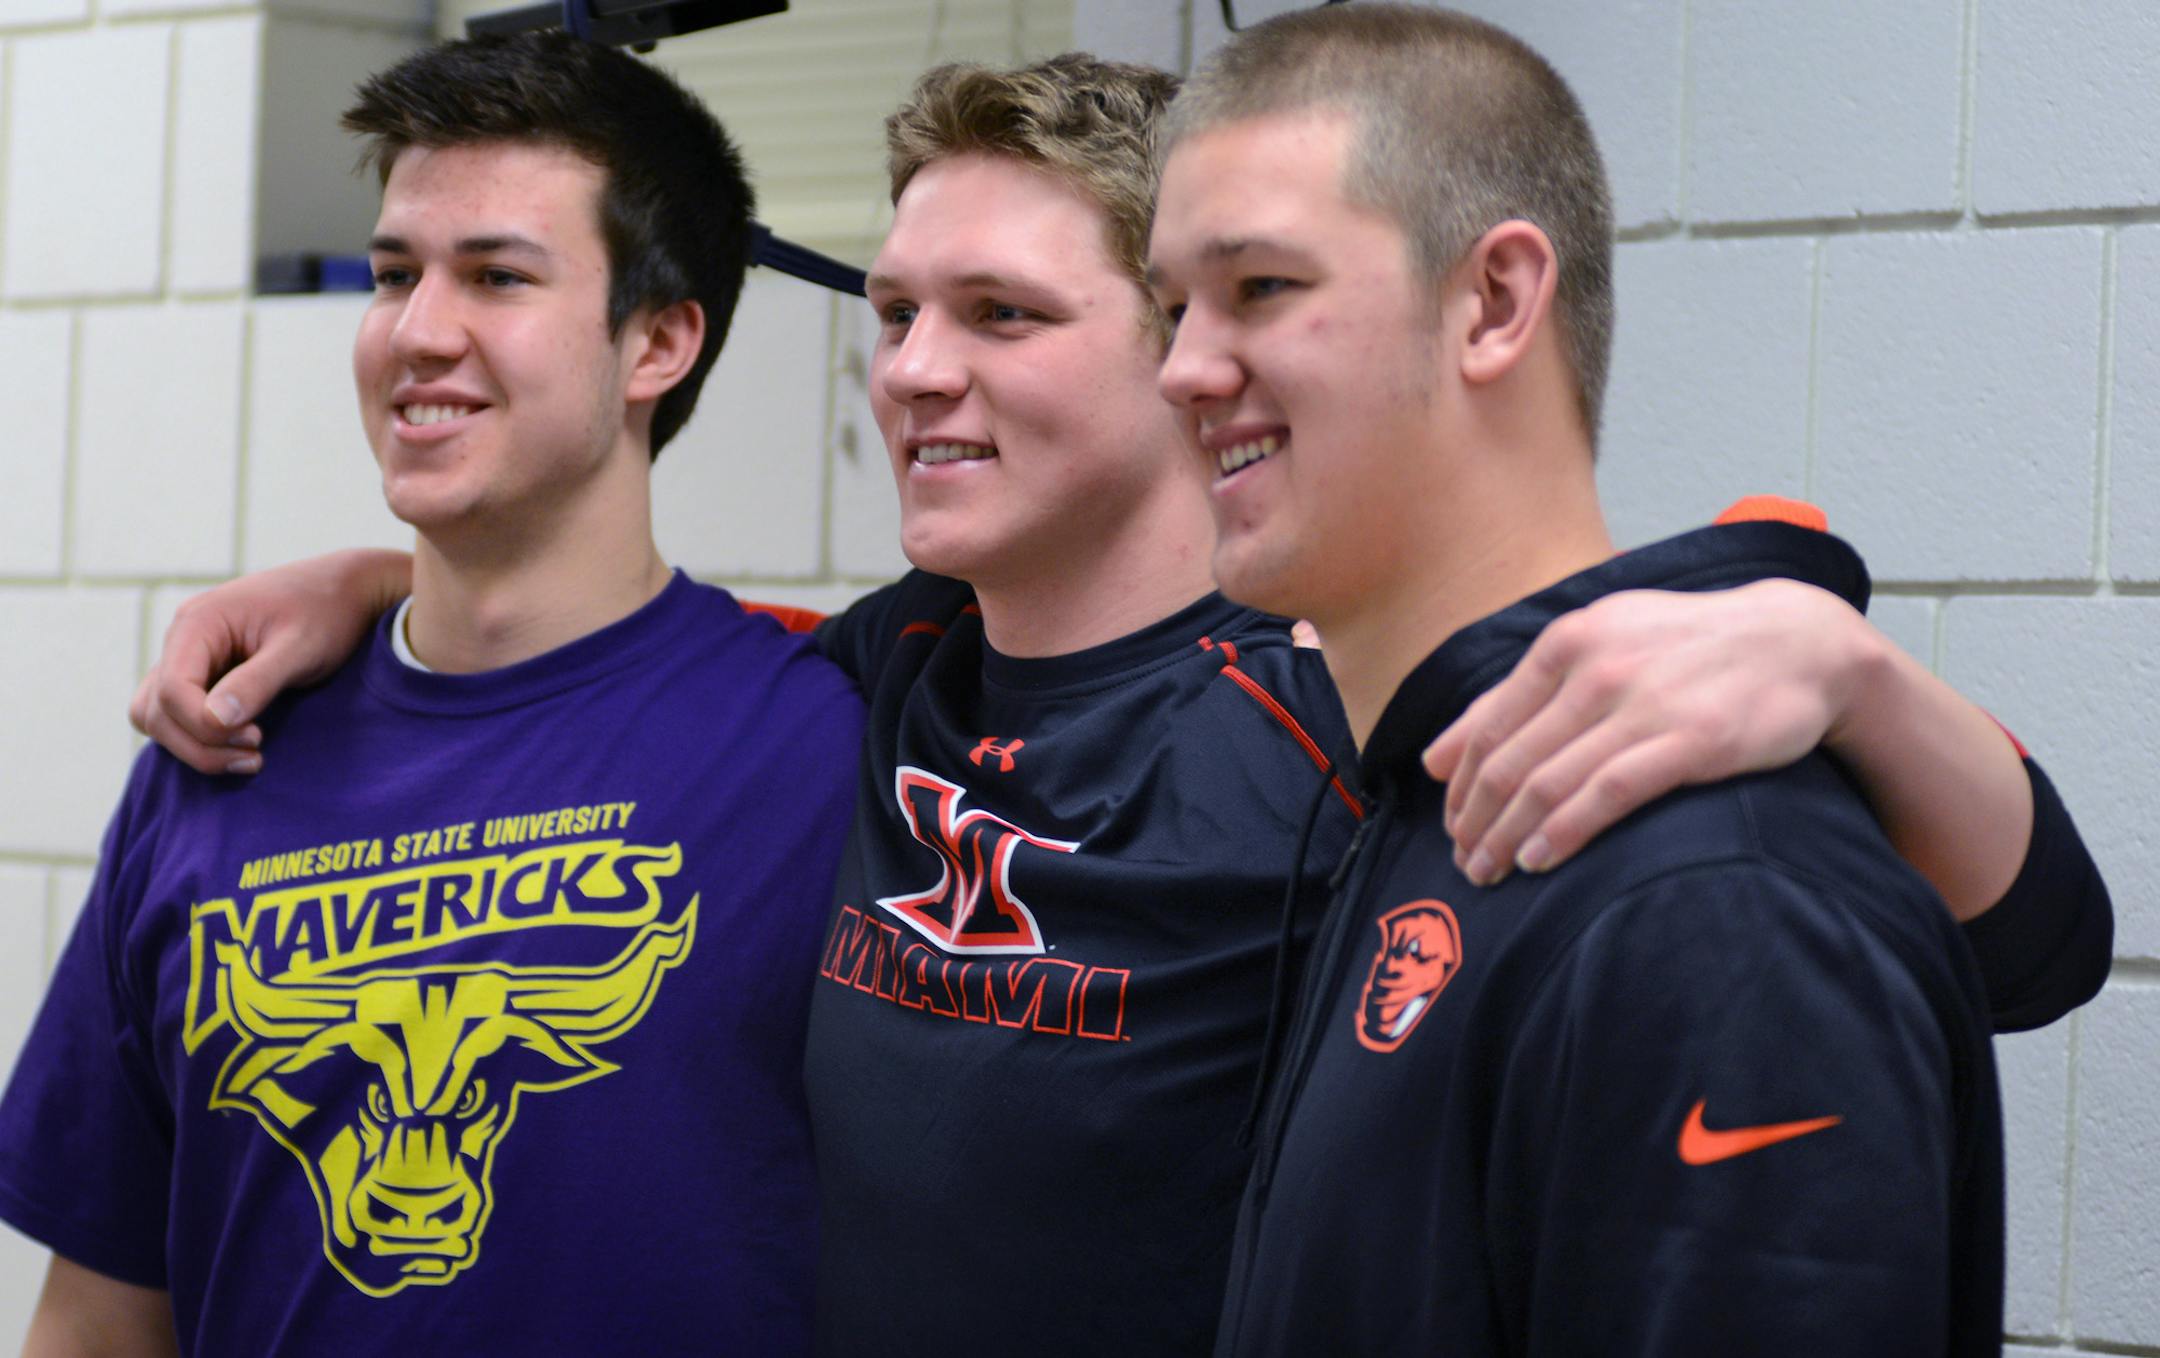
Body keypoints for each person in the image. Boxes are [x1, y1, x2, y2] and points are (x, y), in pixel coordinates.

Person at [132, 49, 2106, 1358]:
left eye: (1001, 315)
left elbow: (2033, 941)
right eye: (895, 312)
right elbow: (608, 629)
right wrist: (379, 587)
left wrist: (1837, 661)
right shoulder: (872, 676)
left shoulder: (1355, 712)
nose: (914, 368)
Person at [1144, 6, 2064, 1353]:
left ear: (1495, 301)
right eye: (1172, 308)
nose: (1180, 368)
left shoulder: (1714, 896)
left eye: (1261, 288)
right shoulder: (1435, 789)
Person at [0, 33, 861, 1357]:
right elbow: (99, 1319)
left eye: (497, 277)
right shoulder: (219, 742)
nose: (417, 332)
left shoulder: (820, 742)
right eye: (395, 274)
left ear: (658, 340)